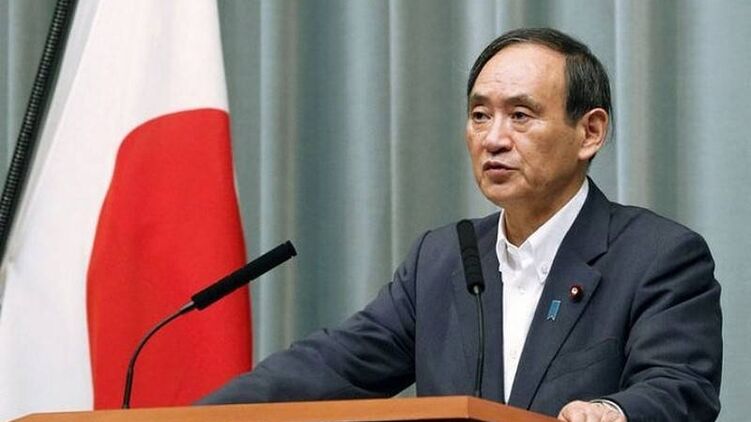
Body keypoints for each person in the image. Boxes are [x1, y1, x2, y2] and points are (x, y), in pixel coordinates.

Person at [198, 28, 722, 422]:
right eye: (479, 115)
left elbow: (680, 387)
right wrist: (199, 416)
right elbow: (332, 367)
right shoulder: (444, 258)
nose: (493, 139)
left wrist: (612, 411)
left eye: (520, 115)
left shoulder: (658, 255)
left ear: (590, 132)